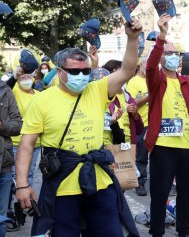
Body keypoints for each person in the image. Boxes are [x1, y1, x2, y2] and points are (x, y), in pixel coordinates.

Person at [15, 19, 142, 236]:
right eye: (74, 72)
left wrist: (132, 38)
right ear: (60, 72)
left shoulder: (98, 89)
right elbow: (27, 145)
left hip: (100, 183)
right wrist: (22, 185)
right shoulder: (43, 100)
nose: (81, 76)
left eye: (85, 71)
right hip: (62, 186)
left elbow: (128, 70)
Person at [145, 14, 189, 237]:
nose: (173, 57)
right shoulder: (157, 80)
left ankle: (186, 231)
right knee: (160, 193)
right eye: (169, 53)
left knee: (187, 194)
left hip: (188, 148)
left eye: (176, 53)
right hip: (163, 147)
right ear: (162, 58)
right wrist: (161, 38)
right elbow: (149, 67)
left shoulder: (188, 82)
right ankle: (156, 231)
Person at [0, 79, 22, 236]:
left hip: (4, 165)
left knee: (1, 217)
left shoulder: (6, 91)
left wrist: (3, 126)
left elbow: (18, 125)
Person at [11, 73, 40, 186]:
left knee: (30, 173)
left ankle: (28, 202)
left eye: (28, 76)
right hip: (17, 142)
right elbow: (8, 86)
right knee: (15, 174)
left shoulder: (39, 94)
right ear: (17, 81)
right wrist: (14, 76)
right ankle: (14, 200)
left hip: (36, 142)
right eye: (22, 78)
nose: (26, 79)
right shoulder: (15, 92)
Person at [127, 55, 150, 196]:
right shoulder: (134, 82)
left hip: (157, 125)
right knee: (141, 157)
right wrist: (148, 97)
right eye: (147, 65)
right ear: (142, 65)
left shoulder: (155, 80)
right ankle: (140, 183)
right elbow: (131, 103)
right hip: (142, 125)